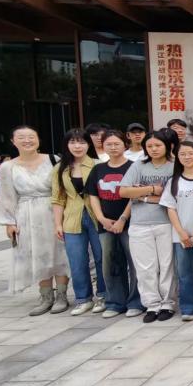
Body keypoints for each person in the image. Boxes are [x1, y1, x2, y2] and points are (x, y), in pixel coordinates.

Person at [0, 126, 71, 316]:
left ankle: (62, 295)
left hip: (55, 211)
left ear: (38, 139)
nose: (27, 140)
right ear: (13, 141)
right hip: (26, 214)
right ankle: (46, 296)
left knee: (61, 252)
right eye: (21, 137)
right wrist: (9, 222)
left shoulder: (54, 160)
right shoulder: (7, 167)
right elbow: (6, 196)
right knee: (37, 253)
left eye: (31, 136)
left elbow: (65, 189)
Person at [119, 131, 176, 323]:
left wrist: (139, 194)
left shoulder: (174, 166)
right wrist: (151, 190)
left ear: (167, 146)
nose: (154, 149)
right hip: (139, 223)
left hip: (166, 222)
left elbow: (172, 196)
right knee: (145, 267)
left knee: (167, 265)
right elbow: (123, 191)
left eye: (158, 145)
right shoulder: (139, 165)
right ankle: (152, 304)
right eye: (150, 146)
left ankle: (167, 303)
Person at [86, 130, 143, 318]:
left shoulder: (134, 167)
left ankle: (136, 302)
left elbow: (135, 195)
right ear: (103, 146)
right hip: (105, 224)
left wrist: (123, 219)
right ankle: (115, 303)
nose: (112, 147)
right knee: (109, 263)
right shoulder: (98, 169)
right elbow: (93, 196)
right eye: (108, 144)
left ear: (124, 145)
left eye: (116, 143)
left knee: (134, 263)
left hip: (130, 222)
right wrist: (101, 218)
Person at [51, 129, 105, 316]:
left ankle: (103, 295)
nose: (77, 146)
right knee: (77, 260)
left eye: (81, 142)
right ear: (66, 145)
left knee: (101, 258)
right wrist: (58, 224)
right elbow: (58, 198)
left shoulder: (98, 165)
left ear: (89, 144)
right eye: (73, 142)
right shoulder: (60, 168)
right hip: (72, 219)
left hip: (97, 217)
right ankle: (83, 299)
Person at [160, 141, 193, 321]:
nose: (187, 157)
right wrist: (181, 232)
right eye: (183, 154)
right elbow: (170, 208)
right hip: (181, 236)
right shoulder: (174, 181)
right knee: (185, 273)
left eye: (191, 153)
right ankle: (188, 307)